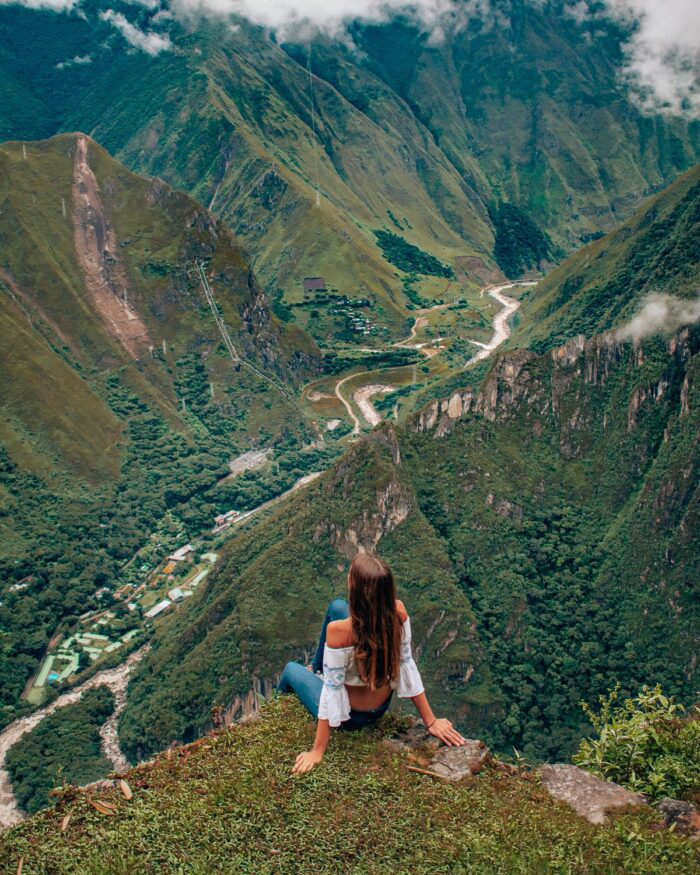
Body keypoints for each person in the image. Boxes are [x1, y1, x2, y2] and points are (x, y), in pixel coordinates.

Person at [277, 552, 466, 774]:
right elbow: (407, 664)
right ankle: (317, 668)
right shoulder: (398, 614)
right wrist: (430, 721)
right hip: (380, 707)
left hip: (350, 717)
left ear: (355, 588)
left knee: (291, 670)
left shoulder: (339, 633)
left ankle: (276, 704)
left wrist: (317, 751)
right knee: (337, 606)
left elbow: (332, 690)